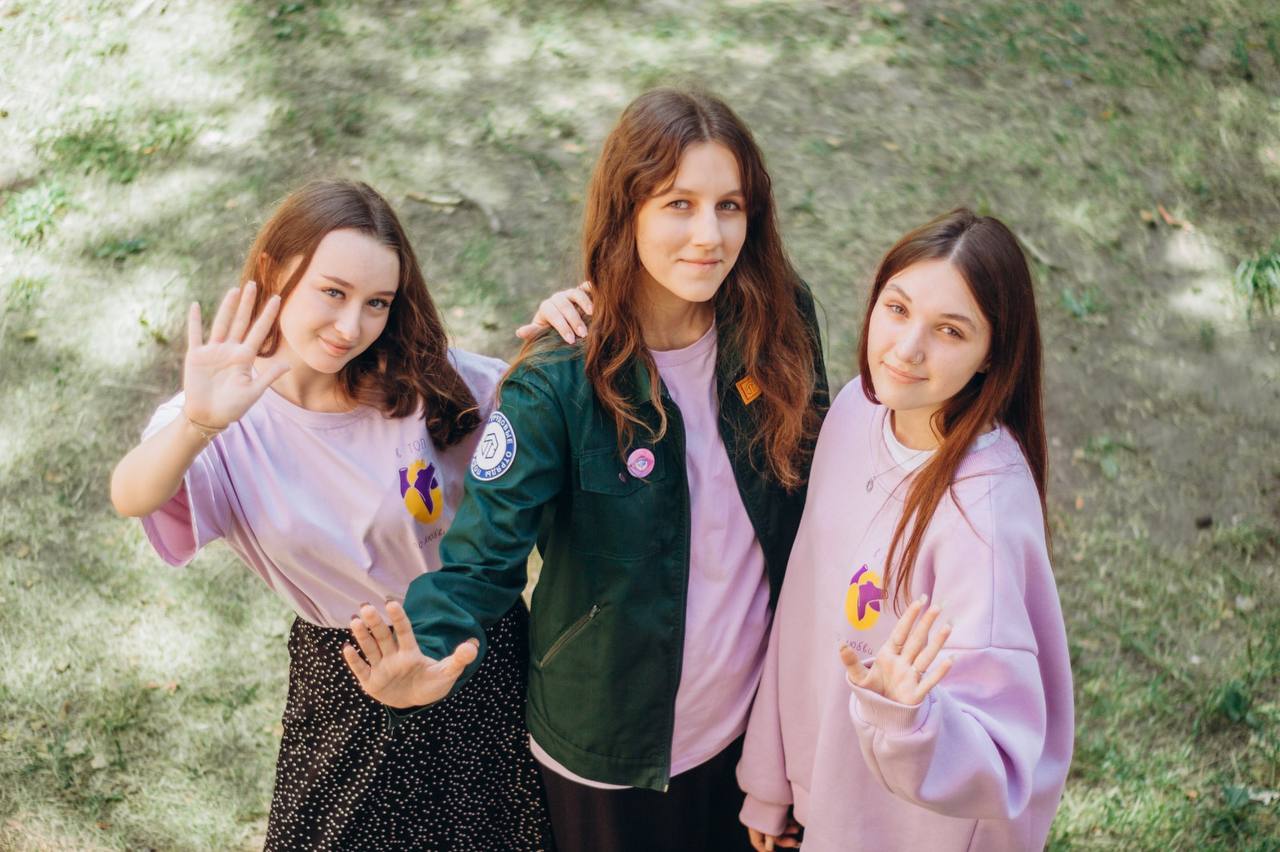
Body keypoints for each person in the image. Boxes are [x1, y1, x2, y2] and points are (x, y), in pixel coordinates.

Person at [342, 88, 829, 852]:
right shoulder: (556, 380)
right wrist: (425, 652)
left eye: (729, 206)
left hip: (757, 724)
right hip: (612, 751)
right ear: (626, 209)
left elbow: (816, 481)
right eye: (678, 204)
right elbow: (480, 561)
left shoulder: (779, 320)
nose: (709, 235)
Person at [109, 180, 553, 851]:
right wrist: (198, 423)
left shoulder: (434, 383)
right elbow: (131, 495)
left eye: (377, 303)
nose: (351, 327)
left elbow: (545, 408)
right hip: (348, 677)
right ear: (274, 272)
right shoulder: (222, 416)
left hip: (474, 654)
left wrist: (560, 330)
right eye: (333, 292)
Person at [735, 209, 1074, 852]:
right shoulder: (855, 412)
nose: (907, 348)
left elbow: (1003, 764)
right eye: (897, 309)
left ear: (991, 355)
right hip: (821, 798)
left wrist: (907, 720)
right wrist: (773, 783)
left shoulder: (984, 514)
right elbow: (805, 610)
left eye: (950, 330)